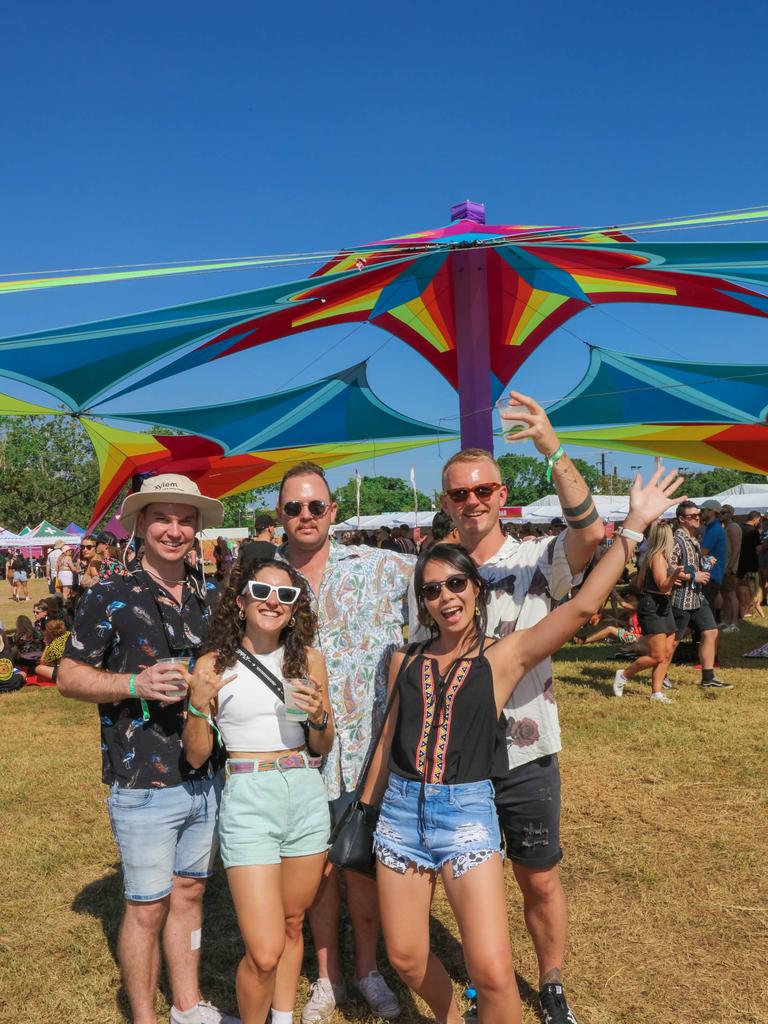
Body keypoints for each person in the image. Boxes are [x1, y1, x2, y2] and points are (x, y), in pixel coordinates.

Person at [362, 469, 682, 1024]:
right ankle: (454, 1015)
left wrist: (633, 526)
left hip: (465, 813)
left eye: (456, 584)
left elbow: (581, 609)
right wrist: (366, 813)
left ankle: (536, 987)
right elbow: (388, 739)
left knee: (490, 970)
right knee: (407, 957)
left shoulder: (502, 656)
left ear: (475, 588)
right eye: (431, 590)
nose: (445, 598)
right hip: (399, 817)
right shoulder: (403, 659)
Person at [436, 392, 605, 1024]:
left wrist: (553, 450)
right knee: (468, 885)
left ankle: (552, 979)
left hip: (528, 751)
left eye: (483, 491)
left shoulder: (537, 561)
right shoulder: (433, 573)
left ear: (501, 495)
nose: (472, 502)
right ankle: (487, 975)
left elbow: (590, 532)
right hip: (457, 762)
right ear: (445, 502)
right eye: (459, 494)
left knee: (537, 877)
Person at [58, 474, 237, 1024]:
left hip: (206, 775)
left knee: (189, 894)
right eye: (162, 517)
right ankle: (145, 1018)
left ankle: (187, 1005)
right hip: (143, 780)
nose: (174, 529)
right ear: (140, 524)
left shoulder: (213, 599)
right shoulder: (108, 594)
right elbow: (66, 674)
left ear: (198, 529)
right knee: (146, 906)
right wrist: (133, 684)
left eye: (185, 520)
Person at [276, 462, 413, 1024]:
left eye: (315, 506)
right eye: (294, 507)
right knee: (318, 867)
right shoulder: (267, 578)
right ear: (280, 516)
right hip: (299, 748)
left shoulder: (383, 567)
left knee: (360, 861)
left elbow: (459, 579)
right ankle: (328, 977)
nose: (306, 516)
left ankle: (368, 969)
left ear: (333, 512)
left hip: (370, 748)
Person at [183, 556, 334, 1024]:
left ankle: (283, 1018)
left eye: (286, 596)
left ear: (295, 608)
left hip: (305, 791)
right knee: (264, 950)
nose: (274, 602)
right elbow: (195, 755)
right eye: (263, 592)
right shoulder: (212, 664)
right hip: (248, 796)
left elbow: (322, 744)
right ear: (241, 599)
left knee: (292, 925)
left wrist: (318, 718)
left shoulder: (308, 659)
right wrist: (197, 704)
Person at [612, 522, 683, 703]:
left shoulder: (655, 556)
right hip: (654, 605)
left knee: (668, 651)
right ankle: (623, 675)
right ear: (667, 538)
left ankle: (656, 692)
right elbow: (663, 586)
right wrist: (674, 576)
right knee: (657, 655)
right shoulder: (658, 557)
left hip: (660, 604)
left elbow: (639, 582)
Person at [669, 501, 732, 690]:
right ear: (681, 519)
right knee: (672, 641)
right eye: (692, 516)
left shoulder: (693, 539)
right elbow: (669, 565)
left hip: (697, 596)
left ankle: (708, 677)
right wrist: (692, 575)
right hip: (681, 597)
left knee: (711, 631)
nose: (698, 518)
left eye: (698, 515)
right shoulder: (677, 540)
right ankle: (661, 674)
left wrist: (703, 564)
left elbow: (688, 564)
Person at [700, 500, 727, 624]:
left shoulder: (714, 529)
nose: (700, 513)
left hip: (710, 574)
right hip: (713, 573)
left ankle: (708, 635)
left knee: (707, 607)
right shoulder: (713, 528)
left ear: (711, 512)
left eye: (703, 510)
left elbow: (702, 552)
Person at [737, 511, 765, 619]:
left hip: (740, 565)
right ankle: (748, 611)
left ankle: (743, 612)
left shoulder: (739, 528)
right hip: (751, 566)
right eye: (759, 520)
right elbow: (758, 548)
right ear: (755, 519)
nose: (759, 522)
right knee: (754, 593)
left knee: (742, 589)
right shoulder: (754, 531)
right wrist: (764, 545)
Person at [720, 504, 742, 630]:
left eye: (724, 512)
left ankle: (734, 623)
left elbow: (736, 549)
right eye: (720, 513)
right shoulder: (726, 527)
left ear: (730, 514)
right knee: (725, 595)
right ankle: (727, 620)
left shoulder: (733, 527)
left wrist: (730, 567)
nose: (721, 515)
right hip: (724, 567)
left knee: (731, 595)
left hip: (730, 568)